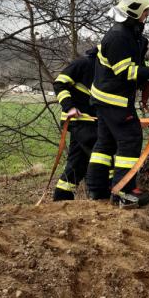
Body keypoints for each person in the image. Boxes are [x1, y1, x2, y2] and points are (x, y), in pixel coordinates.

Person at [86, 0, 149, 206]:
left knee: (104, 144)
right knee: (130, 139)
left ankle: (96, 190)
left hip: (105, 99)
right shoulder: (119, 37)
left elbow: (131, 64)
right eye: (146, 10)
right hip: (115, 101)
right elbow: (127, 72)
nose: (148, 14)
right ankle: (124, 192)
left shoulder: (127, 33)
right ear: (135, 10)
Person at [52, 47, 98, 201]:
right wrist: (69, 107)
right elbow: (59, 83)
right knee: (101, 154)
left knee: (77, 163)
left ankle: (62, 198)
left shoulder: (103, 67)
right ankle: (103, 193)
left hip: (89, 121)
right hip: (78, 120)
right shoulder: (83, 63)